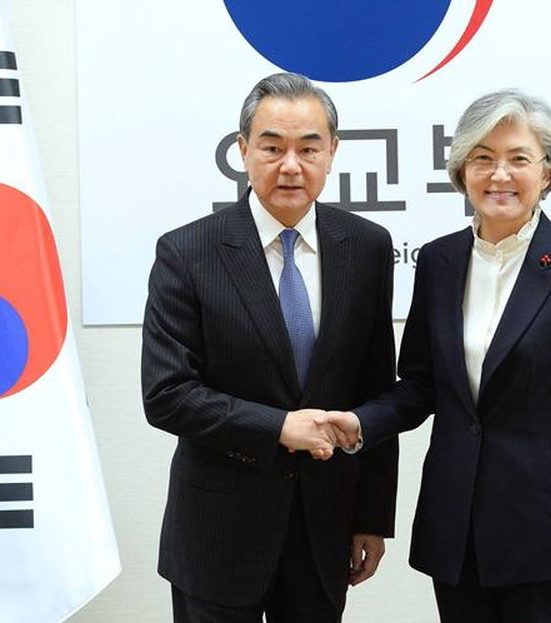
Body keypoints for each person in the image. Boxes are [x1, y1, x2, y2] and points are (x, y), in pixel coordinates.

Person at [321, 89, 551, 622]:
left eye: (519, 159)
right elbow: (418, 385)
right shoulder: (439, 261)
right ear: (462, 171)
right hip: (456, 530)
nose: (499, 175)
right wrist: (358, 422)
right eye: (482, 158)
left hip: (547, 538)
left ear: (547, 172)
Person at [141, 72, 399, 623]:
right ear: (242, 150)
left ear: (332, 152)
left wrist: (372, 517)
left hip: (323, 529)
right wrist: (279, 427)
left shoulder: (368, 248)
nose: (291, 165)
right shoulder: (187, 251)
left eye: (309, 148)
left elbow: (376, 389)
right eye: (272, 146)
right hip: (217, 533)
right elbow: (167, 394)